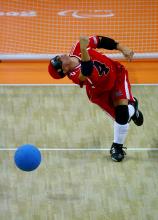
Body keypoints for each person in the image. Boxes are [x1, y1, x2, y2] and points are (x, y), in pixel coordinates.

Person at [48, 35, 144, 162]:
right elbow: (87, 71)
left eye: (57, 57)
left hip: (117, 77)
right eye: (59, 60)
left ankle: (117, 147)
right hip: (101, 93)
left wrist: (122, 48)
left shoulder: (76, 47)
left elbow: (100, 41)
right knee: (123, 117)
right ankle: (133, 109)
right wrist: (83, 50)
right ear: (64, 69)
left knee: (121, 115)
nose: (60, 56)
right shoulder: (75, 76)